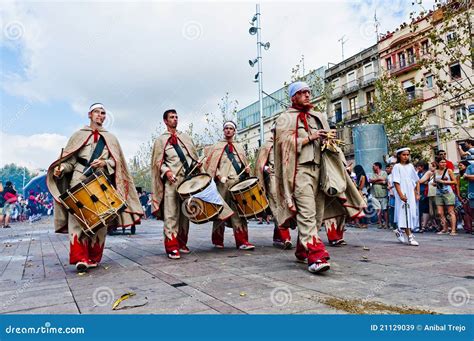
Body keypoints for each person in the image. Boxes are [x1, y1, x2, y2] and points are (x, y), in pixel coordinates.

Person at [273, 81, 365, 274]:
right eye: (302, 92)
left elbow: (330, 145)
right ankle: (316, 256)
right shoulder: (284, 119)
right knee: (307, 212)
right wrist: (310, 137)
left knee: (317, 215)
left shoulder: (319, 117)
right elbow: (283, 146)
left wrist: (329, 142)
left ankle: (301, 250)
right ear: (293, 97)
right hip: (299, 172)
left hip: (321, 170)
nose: (307, 95)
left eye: (308, 92)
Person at [47, 103, 143, 272]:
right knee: (77, 217)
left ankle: (93, 256)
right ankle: (80, 257)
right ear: (89, 115)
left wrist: (105, 162)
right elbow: (70, 161)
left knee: (102, 219)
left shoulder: (111, 138)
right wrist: (62, 169)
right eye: (97, 112)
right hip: (78, 178)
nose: (101, 115)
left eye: (103, 113)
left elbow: (117, 162)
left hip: (101, 181)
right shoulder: (78, 135)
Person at [151, 109, 216, 259]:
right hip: (172, 182)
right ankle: (171, 246)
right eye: (171, 117)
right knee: (171, 213)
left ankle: (182, 243)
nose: (175, 119)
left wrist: (198, 164)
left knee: (185, 214)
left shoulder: (185, 138)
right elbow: (157, 163)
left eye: (176, 117)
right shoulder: (160, 140)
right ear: (165, 121)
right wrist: (167, 171)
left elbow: (192, 157)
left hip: (188, 181)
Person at [204, 121, 255, 250]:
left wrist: (247, 170)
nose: (228, 130)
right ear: (223, 130)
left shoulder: (239, 147)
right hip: (222, 184)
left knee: (239, 212)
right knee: (220, 211)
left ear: (234, 131)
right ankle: (217, 240)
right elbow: (211, 165)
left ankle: (242, 241)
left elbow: (244, 163)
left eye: (231, 128)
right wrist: (219, 176)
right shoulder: (217, 146)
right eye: (226, 128)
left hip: (237, 183)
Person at [255, 134, 292, 249]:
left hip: (287, 179)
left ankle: (278, 237)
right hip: (273, 178)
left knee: (287, 206)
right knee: (277, 207)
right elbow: (259, 164)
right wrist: (265, 168)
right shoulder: (266, 146)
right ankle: (285, 237)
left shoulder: (288, 143)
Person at [392, 147, 420, 246]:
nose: (406, 156)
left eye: (407, 154)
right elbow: (396, 182)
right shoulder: (397, 167)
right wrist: (400, 195)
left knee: (411, 213)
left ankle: (399, 230)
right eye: (404, 155)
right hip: (402, 192)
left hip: (410, 192)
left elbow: (416, 180)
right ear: (399, 155)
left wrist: (417, 193)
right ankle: (410, 236)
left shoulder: (411, 166)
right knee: (405, 213)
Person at [433, 158, 457, 235]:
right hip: (438, 192)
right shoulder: (435, 172)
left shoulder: (448, 171)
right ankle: (445, 228)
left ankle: (453, 230)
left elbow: (455, 182)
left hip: (448, 192)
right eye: (441, 162)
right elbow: (434, 181)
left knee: (450, 212)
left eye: (444, 162)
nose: (443, 164)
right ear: (438, 163)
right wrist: (435, 183)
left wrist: (444, 181)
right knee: (440, 212)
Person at [370, 162, 389, 229]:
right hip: (375, 194)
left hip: (383, 194)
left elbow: (385, 181)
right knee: (378, 210)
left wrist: (374, 181)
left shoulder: (384, 173)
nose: (372, 167)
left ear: (377, 166)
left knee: (385, 210)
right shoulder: (372, 174)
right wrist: (379, 179)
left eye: (373, 166)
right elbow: (370, 180)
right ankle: (380, 223)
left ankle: (386, 223)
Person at [457, 160, 472, 233]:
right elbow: (457, 186)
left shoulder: (469, 174)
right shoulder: (459, 176)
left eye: (461, 165)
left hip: (470, 194)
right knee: (466, 211)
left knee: (471, 210)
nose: (459, 167)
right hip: (463, 195)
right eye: (459, 165)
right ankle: (468, 228)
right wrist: (458, 195)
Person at [416, 161, 430, 232]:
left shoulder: (426, 173)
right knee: (419, 209)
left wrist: (424, 182)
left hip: (425, 193)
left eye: (420, 166)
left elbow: (419, 181)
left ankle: (424, 225)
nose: (418, 168)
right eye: (417, 166)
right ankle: (420, 225)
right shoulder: (417, 173)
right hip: (417, 193)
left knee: (425, 209)